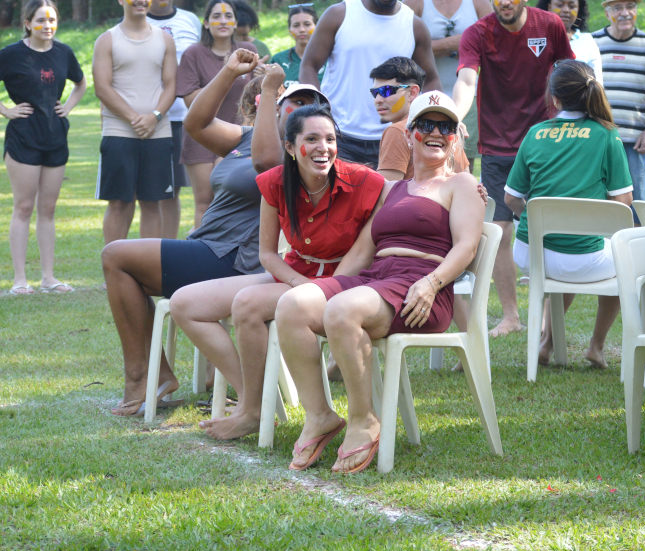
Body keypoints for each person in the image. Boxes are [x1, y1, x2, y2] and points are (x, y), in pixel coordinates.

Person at [274, 91, 484, 474]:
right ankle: (319, 415)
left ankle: (363, 420)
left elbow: (467, 246)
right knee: (293, 304)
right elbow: (362, 249)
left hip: (422, 288)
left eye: (446, 127)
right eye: (426, 124)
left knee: (343, 309)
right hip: (377, 280)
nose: (436, 132)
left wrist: (432, 283)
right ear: (409, 135)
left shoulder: (463, 185)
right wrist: (326, 291)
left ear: (456, 137)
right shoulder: (392, 190)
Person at [172, 90, 385, 441]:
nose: (323, 148)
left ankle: (251, 410)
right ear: (290, 147)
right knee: (185, 303)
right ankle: (254, 399)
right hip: (296, 275)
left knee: (247, 303)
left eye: (330, 139)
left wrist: (464, 190)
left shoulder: (365, 181)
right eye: (311, 139)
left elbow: (401, 202)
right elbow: (268, 254)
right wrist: (299, 283)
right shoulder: (274, 182)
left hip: (347, 282)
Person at [101, 49, 290, 416]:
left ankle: (144, 376)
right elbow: (196, 124)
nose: (285, 108)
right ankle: (154, 374)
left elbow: (267, 163)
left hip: (235, 258)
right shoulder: (244, 139)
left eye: (293, 104)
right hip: (207, 247)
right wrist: (228, 72)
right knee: (122, 265)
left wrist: (271, 92)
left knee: (117, 256)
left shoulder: (290, 151)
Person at [452, 0, 574, 337]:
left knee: (558, 230)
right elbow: (467, 79)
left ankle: (549, 323)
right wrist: (454, 115)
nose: (505, 1)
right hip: (497, 145)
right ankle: (511, 316)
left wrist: (576, 122)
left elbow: (570, 74)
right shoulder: (477, 33)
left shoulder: (549, 25)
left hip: (546, 143)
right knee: (500, 231)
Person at [504, 60, 632, 368]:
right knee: (624, 260)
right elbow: (623, 202)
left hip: (531, 253)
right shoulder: (607, 135)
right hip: (582, 258)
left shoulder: (534, 133)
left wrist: (533, 218)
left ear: (555, 98)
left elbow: (511, 198)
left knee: (568, 254)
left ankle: (547, 343)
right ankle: (596, 346)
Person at [299, 0, 440, 167]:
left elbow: (430, 79)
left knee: (388, 191)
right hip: (338, 134)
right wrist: (319, 111)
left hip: (393, 136)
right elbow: (309, 65)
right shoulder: (339, 14)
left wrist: (432, 118)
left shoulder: (414, 25)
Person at [0, 0, 86, 294]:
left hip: (55, 136)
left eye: (51, 20)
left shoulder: (64, 52)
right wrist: (6, 110)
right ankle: (20, 281)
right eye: (40, 20)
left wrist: (68, 107)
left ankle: (49, 278)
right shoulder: (11, 54)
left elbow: (80, 83)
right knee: (24, 206)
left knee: (48, 209)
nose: (47, 25)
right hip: (23, 137)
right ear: (27, 24)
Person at [93, 0, 178, 244]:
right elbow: (102, 87)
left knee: (152, 202)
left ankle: (147, 265)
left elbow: (171, 85)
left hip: (158, 132)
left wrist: (154, 117)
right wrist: (133, 118)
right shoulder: (107, 40)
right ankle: (113, 264)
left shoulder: (165, 39)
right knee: (120, 202)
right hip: (119, 132)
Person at [403, 0, 492, 165]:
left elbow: (494, 45)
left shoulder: (477, 1)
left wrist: (432, 46)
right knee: (424, 160)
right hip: (425, 95)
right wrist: (458, 42)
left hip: (470, 96)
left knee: (463, 162)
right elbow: (401, 49)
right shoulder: (415, 1)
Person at [177, 0, 258, 229]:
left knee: (237, 201)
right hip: (201, 138)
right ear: (205, 23)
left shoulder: (248, 51)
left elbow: (256, 97)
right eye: (216, 16)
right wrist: (227, 73)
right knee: (205, 203)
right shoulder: (193, 54)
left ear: (235, 23)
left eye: (228, 16)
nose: (223, 21)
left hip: (240, 137)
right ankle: (199, 247)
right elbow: (191, 102)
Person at [591, 0, 645, 202]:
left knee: (638, 204)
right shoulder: (592, 43)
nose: (625, 13)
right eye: (617, 8)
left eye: (630, 6)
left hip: (636, 141)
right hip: (598, 138)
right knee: (598, 203)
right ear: (607, 13)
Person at [146, 0, 203, 239]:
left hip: (190, 117)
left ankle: (171, 250)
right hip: (154, 118)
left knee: (183, 190)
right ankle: (155, 251)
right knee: (159, 191)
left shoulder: (190, 20)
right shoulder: (137, 23)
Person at [374, 56, 468, 181]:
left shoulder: (396, 132)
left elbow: (389, 190)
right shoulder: (449, 131)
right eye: (375, 93)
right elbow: (467, 180)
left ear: (412, 92)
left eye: (386, 91)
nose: (378, 100)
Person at [536, 0, 603, 81]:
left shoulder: (587, 41)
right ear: (549, 7)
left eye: (572, 6)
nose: (566, 10)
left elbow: (597, 83)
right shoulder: (535, 39)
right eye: (560, 5)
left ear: (578, 10)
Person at [271, 4, 317, 82]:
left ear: (317, 26)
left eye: (307, 24)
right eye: (296, 25)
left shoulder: (328, 60)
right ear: (289, 30)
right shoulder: (279, 60)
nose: (302, 29)